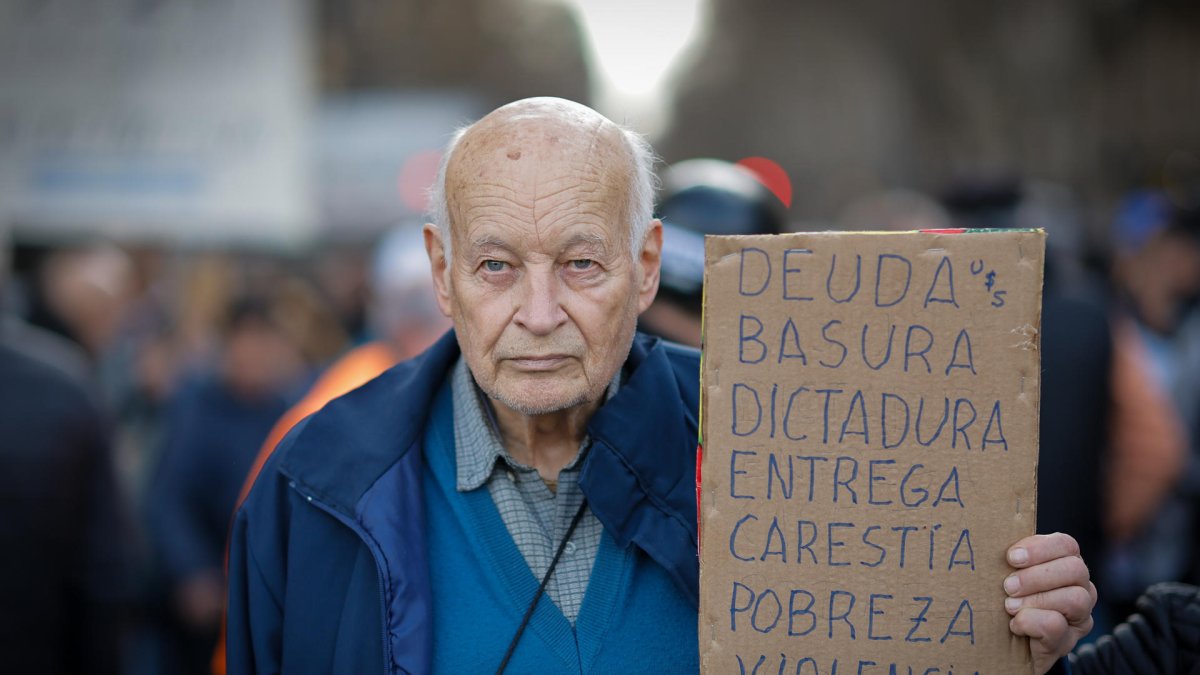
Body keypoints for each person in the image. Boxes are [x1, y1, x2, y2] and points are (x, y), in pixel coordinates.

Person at [225, 97, 1096, 674]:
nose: (538, 312)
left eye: (580, 263)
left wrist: (1008, 639)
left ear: (644, 269)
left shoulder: (783, 437)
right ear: (441, 272)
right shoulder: (315, 489)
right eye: (495, 266)